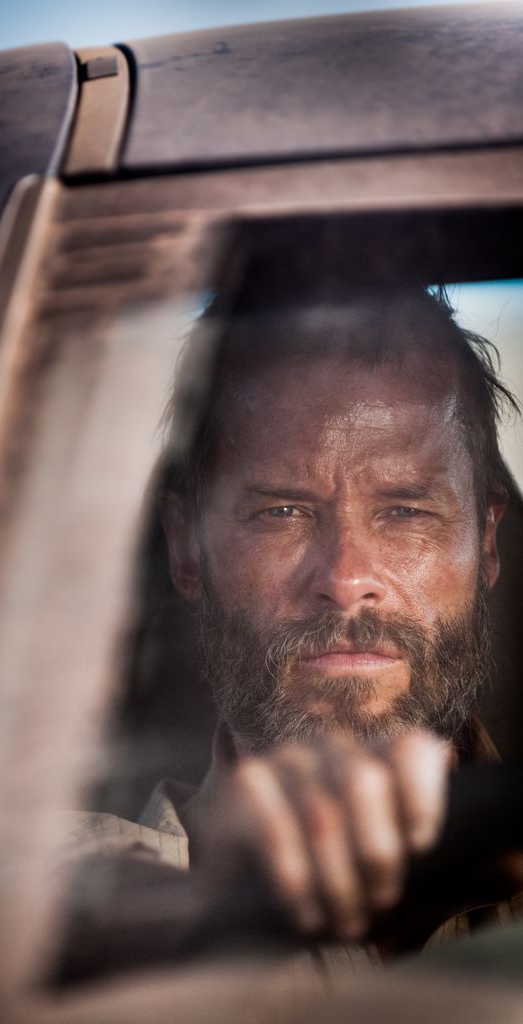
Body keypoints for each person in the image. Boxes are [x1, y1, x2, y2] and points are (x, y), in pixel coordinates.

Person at [61, 285, 523, 977]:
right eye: (281, 511)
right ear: (187, 550)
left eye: (405, 511)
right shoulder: (67, 900)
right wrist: (207, 926)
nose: (345, 578)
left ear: (485, 542)